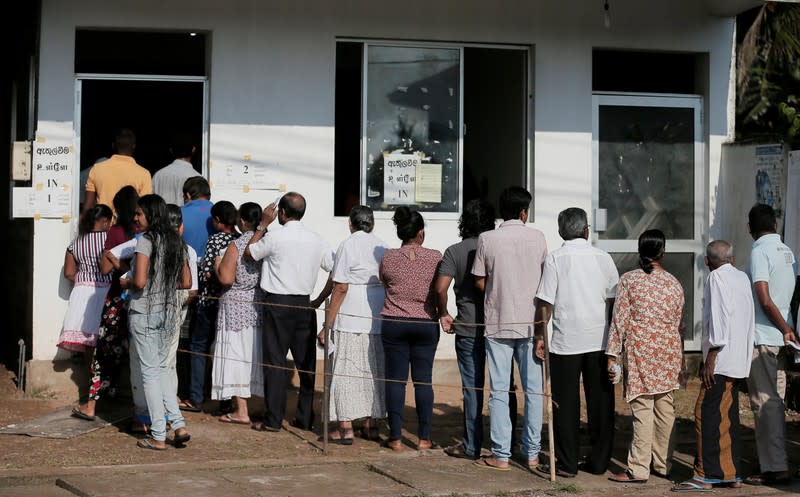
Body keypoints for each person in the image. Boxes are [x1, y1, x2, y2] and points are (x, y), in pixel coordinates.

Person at [534, 207, 619, 477]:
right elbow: (613, 300)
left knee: (565, 404)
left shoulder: (555, 259)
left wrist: (539, 335)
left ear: (561, 232)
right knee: (601, 403)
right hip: (599, 339)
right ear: (586, 230)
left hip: (564, 342)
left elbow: (545, 302)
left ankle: (568, 463)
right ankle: (599, 461)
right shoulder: (603, 257)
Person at [471, 186, 546, 471]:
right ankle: (532, 453)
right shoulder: (538, 237)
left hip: (498, 321)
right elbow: (545, 281)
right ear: (524, 211)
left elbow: (479, 280)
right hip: (531, 325)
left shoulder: (487, 239)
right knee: (534, 391)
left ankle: (501, 454)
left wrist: (496, 289)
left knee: (499, 390)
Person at [245, 192, 334, 432]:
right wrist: (320, 298)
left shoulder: (275, 236)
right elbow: (336, 269)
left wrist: (263, 224)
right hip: (304, 304)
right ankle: (305, 418)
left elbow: (249, 253)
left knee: (275, 362)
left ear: (281, 213)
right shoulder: (317, 239)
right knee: (306, 365)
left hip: (277, 303)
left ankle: (273, 420)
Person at [671, 240, 755, 492]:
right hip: (738, 357)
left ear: (707, 261)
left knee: (705, 413)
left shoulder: (716, 278)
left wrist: (711, 356)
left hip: (722, 359)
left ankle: (705, 475)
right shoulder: (741, 277)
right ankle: (730, 473)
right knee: (726, 416)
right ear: (732, 257)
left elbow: (719, 317)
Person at [607, 229, 684, 484]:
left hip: (641, 351)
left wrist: (612, 354)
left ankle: (638, 469)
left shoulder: (629, 280)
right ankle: (663, 464)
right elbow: (677, 323)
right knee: (665, 410)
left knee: (643, 409)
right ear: (662, 252)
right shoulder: (674, 283)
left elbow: (619, 321)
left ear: (641, 251)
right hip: (668, 352)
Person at [123, 194, 192, 450]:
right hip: (168, 312)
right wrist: (162, 285)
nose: (135, 218)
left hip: (144, 311)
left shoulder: (146, 242)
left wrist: (126, 282)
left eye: (139, 213)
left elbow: (139, 282)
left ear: (151, 214)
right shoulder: (177, 241)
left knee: (150, 374)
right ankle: (179, 424)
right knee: (162, 370)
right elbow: (186, 282)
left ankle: (158, 435)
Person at [317, 205, 389, 444]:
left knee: (345, 369)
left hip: (350, 315)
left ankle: (345, 427)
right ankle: (371, 425)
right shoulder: (382, 246)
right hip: (376, 313)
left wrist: (327, 324)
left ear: (351, 223)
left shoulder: (348, 244)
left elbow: (341, 286)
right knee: (373, 370)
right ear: (373, 224)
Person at [435, 198, 496, 460]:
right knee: (503, 387)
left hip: (468, 327)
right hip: (498, 328)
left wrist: (444, 313)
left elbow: (440, 288)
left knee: (472, 389)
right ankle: (507, 444)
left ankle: (471, 445)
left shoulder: (454, 251)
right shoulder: (496, 247)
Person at [72, 186, 139, 422]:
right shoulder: (145, 234)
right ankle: (127, 398)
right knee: (133, 352)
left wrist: (118, 263)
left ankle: (91, 404)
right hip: (142, 302)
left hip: (117, 299)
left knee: (103, 352)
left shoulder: (116, 232)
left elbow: (104, 268)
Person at [379, 206, 442, 452]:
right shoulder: (436, 256)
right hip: (426, 322)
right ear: (421, 233)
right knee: (423, 381)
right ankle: (424, 438)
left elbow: (385, 281)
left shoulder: (388, 257)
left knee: (395, 381)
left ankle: (395, 438)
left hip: (394, 322)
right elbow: (439, 287)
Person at [742, 203, 798, 486]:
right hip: (782, 337)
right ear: (775, 225)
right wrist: (790, 329)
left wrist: (784, 328)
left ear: (750, 228)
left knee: (765, 402)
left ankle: (775, 467)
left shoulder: (759, 251)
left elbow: (764, 298)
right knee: (775, 401)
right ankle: (775, 460)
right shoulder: (787, 252)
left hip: (766, 335)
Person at [183, 200, 240, 413]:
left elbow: (207, 272)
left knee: (198, 347)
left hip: (209, 301)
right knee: (224, 350)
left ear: (217, 220)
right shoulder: (241, 239)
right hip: (230, 303)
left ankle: (196, 397)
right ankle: (226, 401)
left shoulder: (215, 240)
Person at [211, 202, 265, 425]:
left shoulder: (237, 244)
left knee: (236, 355)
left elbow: (226, 278)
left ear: (242, 221)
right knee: (255, 354)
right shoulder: (266, 242)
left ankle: (242, 410)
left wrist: (216, 264)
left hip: (235, 305)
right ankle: (258, 405)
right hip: (258, 304)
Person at [58, 204, 113, 420]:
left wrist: (84, 280)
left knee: (90, 350)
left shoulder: (76, 243)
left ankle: (94, 389)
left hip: (82, 294)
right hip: (104, 292)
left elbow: (69, 272)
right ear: (107, 221)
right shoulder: (110, 240)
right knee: (107, 345)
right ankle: (105, 389)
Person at [82, 128, 152, 215]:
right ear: (134, 146)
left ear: (113, 145)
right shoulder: (144, 174)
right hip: (130, 227)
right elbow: (145, 210)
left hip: (103, 225)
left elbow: (88, 207)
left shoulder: (97, 169)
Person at [153, 131, 201, 206]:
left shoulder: (158, 175)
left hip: (162, 217)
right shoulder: (198, 178)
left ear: (171, 151)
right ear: (193, 150)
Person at [180, 176, 215, 260]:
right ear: (209, 195)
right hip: (212, 268)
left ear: (188, 195)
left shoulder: (177, 213)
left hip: (185, 267)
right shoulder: (218, 212)